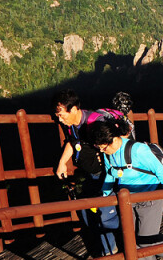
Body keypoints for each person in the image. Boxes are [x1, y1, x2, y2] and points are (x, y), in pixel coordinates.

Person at [90, 118, 163, 260]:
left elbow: (159, 171)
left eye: (104, 147)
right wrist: (104, 197)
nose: (102, 151)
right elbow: (110, 175)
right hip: (128, 201)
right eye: (99, 148)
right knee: (131, 241)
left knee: (145, 241)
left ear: (114, 139)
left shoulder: (138, 150)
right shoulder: (108, 155)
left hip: (150, 198)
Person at [52, 89, 118, 255]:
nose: (59, 119)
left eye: (62, 115)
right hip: (89, 174)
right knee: (87, 211)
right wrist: (62, 163)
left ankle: (111, 252)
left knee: (105, 216)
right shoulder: (71, 125)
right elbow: (72, 142)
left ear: (73, 109)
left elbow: (114, 143)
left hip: (105, 174)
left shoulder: (95, 123)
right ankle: (104, 249)